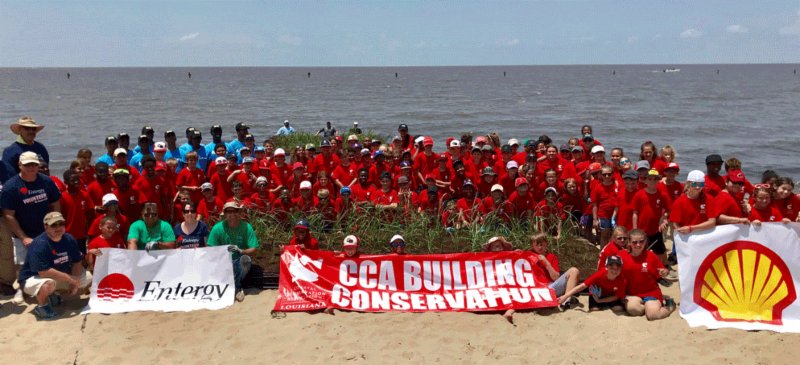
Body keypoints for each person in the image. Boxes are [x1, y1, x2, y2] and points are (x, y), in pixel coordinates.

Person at [1, 151, 62, 303]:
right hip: (23, 233)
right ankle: (22, 291)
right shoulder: (10, 187)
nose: (31, 167)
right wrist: (23, 237)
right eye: (27, 164)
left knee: (49, 261)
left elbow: (55, 203)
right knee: (23, 264)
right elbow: (8, 215)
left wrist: (55, 226)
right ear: (20, 165)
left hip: (45, 232)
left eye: (34, 164)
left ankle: (49, 290)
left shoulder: (46, 182)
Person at [18, 212, 92, 320]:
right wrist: (71, 280)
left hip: (57, 275)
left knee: (87, 278)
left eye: (61, 224)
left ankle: (53, 295)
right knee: (48, 284)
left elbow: (77, 261)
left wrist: (75, 282)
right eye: (53, 225)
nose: (58, 228)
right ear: (45, 227)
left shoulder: (69, 239)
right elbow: (44, 272)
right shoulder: (39, 244)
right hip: (31, 278)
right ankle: (42, 307)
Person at [207, 202, 260, 302]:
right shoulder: (217, 228)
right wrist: (222, 253)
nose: (231, 214)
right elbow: (210, 248)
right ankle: (236, 288)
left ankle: (235, 287)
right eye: (228, 211)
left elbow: (254, 249)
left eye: (234, 211)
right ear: (225, 214)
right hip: (222, 262)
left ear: (238, 212)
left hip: (238, 261)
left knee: (246, 260)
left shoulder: (246, 227)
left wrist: (241, 250)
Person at [618, 229, 675, 321]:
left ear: (645, 242)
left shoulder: (651, 256)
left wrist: (664, 272)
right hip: (632, 294)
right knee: (634, 310)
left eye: (641, 242)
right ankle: (649, 306)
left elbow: (663, 271)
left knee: (652, 315)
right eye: (634, 242)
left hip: (651, 292)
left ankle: (669, 306)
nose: (638, 245)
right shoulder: (621, 255)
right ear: (629, 242)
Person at [559, 255, 626, 313]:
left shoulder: (622, 280)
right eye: (611, 268)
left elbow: (616, 296)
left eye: (617, 268)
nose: (614, 271)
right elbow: (582, 286)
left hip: (610, 295)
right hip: (596, 293)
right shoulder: (600, 274)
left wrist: (600, 301)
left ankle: (604, 304)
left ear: (621, 269)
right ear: (607, 267)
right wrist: (565, 296)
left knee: (618, 309)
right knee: (594, 309)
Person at [530, 233, 580, 308]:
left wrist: (546, 263)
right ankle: (564, 298)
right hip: (534, 289)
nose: (539, 247)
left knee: (574, 271)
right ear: (532, 246)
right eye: (536, 245)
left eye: (541, 244)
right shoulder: (528, 256)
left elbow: (556, 278)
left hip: (550, 287)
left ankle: (566, 300)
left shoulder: (551, 257)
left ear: (546, 244)